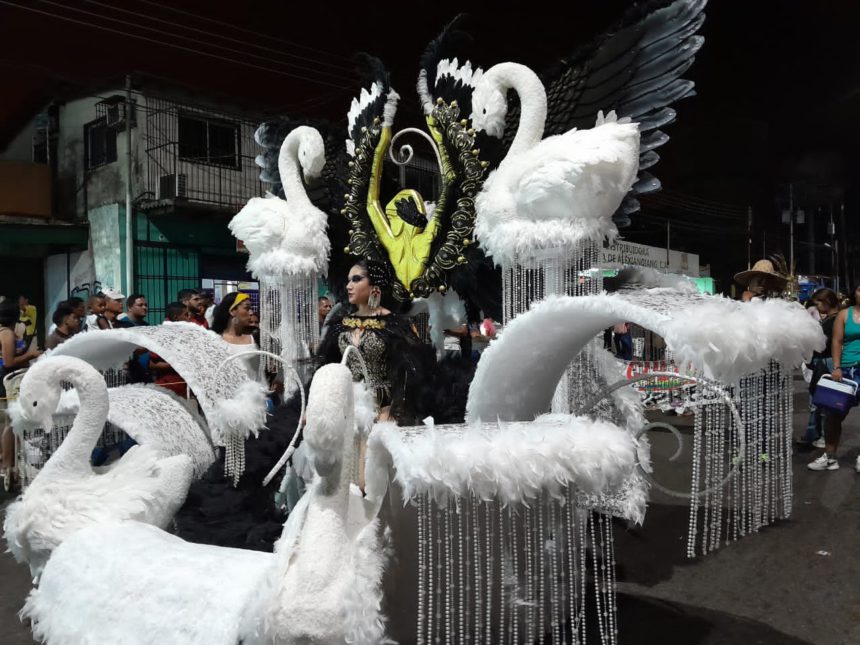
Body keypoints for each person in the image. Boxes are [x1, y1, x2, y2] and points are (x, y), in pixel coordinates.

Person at [317, 260, 430, 424]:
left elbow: (410, 372)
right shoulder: (340, 324)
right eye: (349, 280)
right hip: (346, 408)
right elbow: (325, 366)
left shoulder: (394, 325)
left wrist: (394, 410)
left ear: (374, 286)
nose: (349, 286)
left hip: (383, 410)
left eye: (356, 279)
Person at [809, 284, 860, 472]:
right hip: (846, 368)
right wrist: (837, 367)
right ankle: (830, 457)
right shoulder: (844, 315)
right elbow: (836, 341)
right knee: (834, 414)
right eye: (859, 289)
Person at [0, 301, 42, 484]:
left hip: (7, 380)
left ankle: (7, 463)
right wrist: (31, 355)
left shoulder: (6, 332)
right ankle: (7, 466)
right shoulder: (7, 333)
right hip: (7, 381)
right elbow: (9, 362)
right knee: (9, 423)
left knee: (8, 423)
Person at [799, 288, 840, 447]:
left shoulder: (833, 320)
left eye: (818, 304)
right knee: (820, 402)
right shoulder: (833, 319)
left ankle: (822, 436)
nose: (817, 308)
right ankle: (816, 434)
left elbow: (825, 344)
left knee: (822, 402)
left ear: (827, 302)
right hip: (825, 363)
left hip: (826, 363)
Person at [211, 292, 259, 380]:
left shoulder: (256, 337)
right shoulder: (215, 340)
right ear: (232, 311)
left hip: (257, 391)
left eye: (251, 308)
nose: (251, 312)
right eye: (247, 308)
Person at [150, 302, 191, 397]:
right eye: (186, 315)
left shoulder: (185, 333)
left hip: (184, 389)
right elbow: (151, 364)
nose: (189, 318)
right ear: (176, 318)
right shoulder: (162, 335)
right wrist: (177, 364)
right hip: (167, 389)